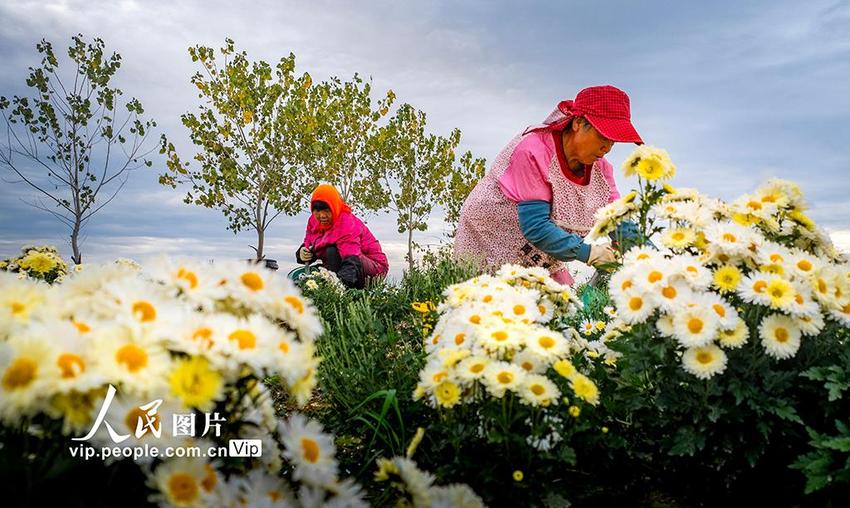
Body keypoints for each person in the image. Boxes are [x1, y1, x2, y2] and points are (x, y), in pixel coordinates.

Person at [453, 85, 642, 285]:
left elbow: (617, 219)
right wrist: (590, 253)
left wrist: (650, 257)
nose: (607, 147)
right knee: (493, 304)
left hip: (539, 251)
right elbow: (536, 226)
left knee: (560, 308)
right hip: (492, 237)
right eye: (602, 137)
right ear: (578, 122)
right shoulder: (534, 151)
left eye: (613, 141)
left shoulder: (600, 171)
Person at [295, 184, 389, 289]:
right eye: (317, 211)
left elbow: (352, 260)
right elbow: (312, 243)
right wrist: (302, 253)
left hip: (374, 269)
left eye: (326, 210)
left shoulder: (346, 223)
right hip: (345, 263)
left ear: (334, 207)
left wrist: (337, 287)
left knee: (332, 251)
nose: (322, 216)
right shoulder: (314, 221)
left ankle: (342, 293)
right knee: (313, 275)